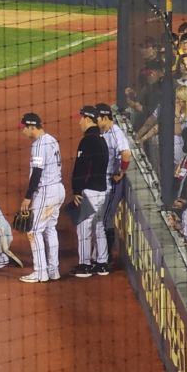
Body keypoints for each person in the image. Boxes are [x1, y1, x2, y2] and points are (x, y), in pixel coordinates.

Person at [17, 112, 65, 283]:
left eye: (24, 128)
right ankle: (53, 270)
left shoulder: (38, 145)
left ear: (32, 127)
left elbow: (37, 173)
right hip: (58, 189)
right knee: (50, 229)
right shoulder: (52, 140)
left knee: (33, 231)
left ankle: (40, 272)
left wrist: (27, 197)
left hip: (46, 192)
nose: (23, 131)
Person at [70, 106, 109, 278]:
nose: (79, 122)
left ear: (87, 119)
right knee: (99, 226)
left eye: (81, 118)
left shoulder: (87, 141)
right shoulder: (102, 139)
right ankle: (102, 264)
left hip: (90, 192)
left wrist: (76, 190)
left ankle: (85, 265)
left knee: (83, 229)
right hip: (102, 191)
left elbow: (81, 168)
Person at [95, 103, 131, 259]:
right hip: (104, 181)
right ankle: (101, 253)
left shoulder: (116, 132)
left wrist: (121, 172)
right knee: (100, 218)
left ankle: (107, 255)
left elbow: (126, 154)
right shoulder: (103, 131)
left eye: (97, 118)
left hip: (113, 182)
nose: (94, 121)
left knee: (106, 218)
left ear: (104, 118)